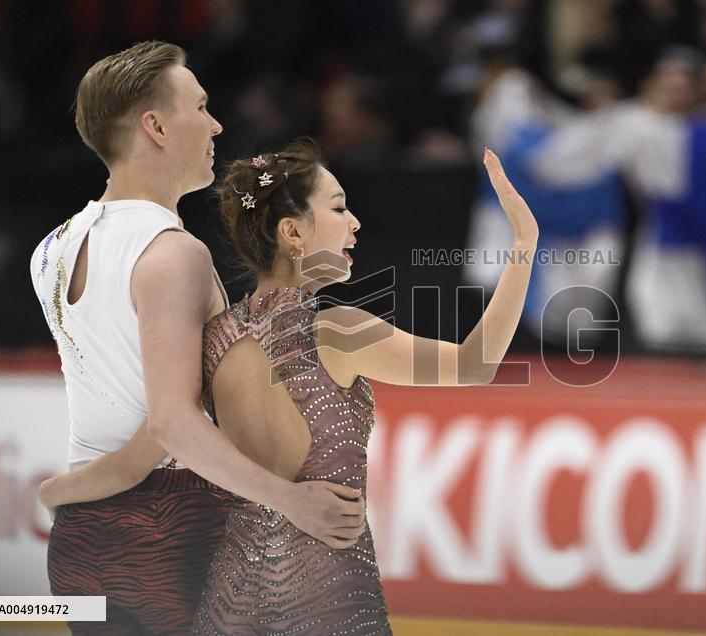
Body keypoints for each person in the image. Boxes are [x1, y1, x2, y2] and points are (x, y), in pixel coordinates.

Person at [31, 41, 368, 635]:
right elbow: (172, 424)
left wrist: (74, 485)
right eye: (202, 107)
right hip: (172, 526)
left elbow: (128, 412)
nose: (216, 125)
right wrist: (292, 503)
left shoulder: (53, 247)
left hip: (85, 539)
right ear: (156, 126)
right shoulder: (172, 254)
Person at [186, 137, 537, 634]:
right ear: (292, 232)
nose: (354, 222)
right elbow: (475, 364)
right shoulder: (334, 331)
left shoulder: (214, 336)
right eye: (338, 207)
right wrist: (523, 244)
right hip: (323, 601)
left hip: (228, 605)